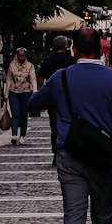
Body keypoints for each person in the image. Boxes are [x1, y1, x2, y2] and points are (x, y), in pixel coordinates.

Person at [28, 26, 112, 224]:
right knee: (103, 219)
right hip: (104, 158)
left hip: (71, 155)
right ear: (101, 49)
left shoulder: (60, 78)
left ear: (74, 51)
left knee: (74, 217)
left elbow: (33, 103)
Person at [39, 35, 75, 164]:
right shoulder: (72, 60)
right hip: (69, 97)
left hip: (53, 98)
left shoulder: (48, 60)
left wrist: (40, 92)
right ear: (66, 46)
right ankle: (68, 152)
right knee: (70, 125)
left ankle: (56, 153)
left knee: (54, 127)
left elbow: (41, 78)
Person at [6, 47, 37, 146]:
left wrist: (35, 91)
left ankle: (22, 135)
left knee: (24, 114)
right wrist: (6, 94)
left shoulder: (30, 66)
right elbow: (8, 79)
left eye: (23, 55)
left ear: (25, 56)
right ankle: (14, 135)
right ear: (17, 55)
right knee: (15, 114)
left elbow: (33, 79)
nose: (21, 57)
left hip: (25, 92)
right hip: (13, 92)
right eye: (19, 55)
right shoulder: (12, 65)